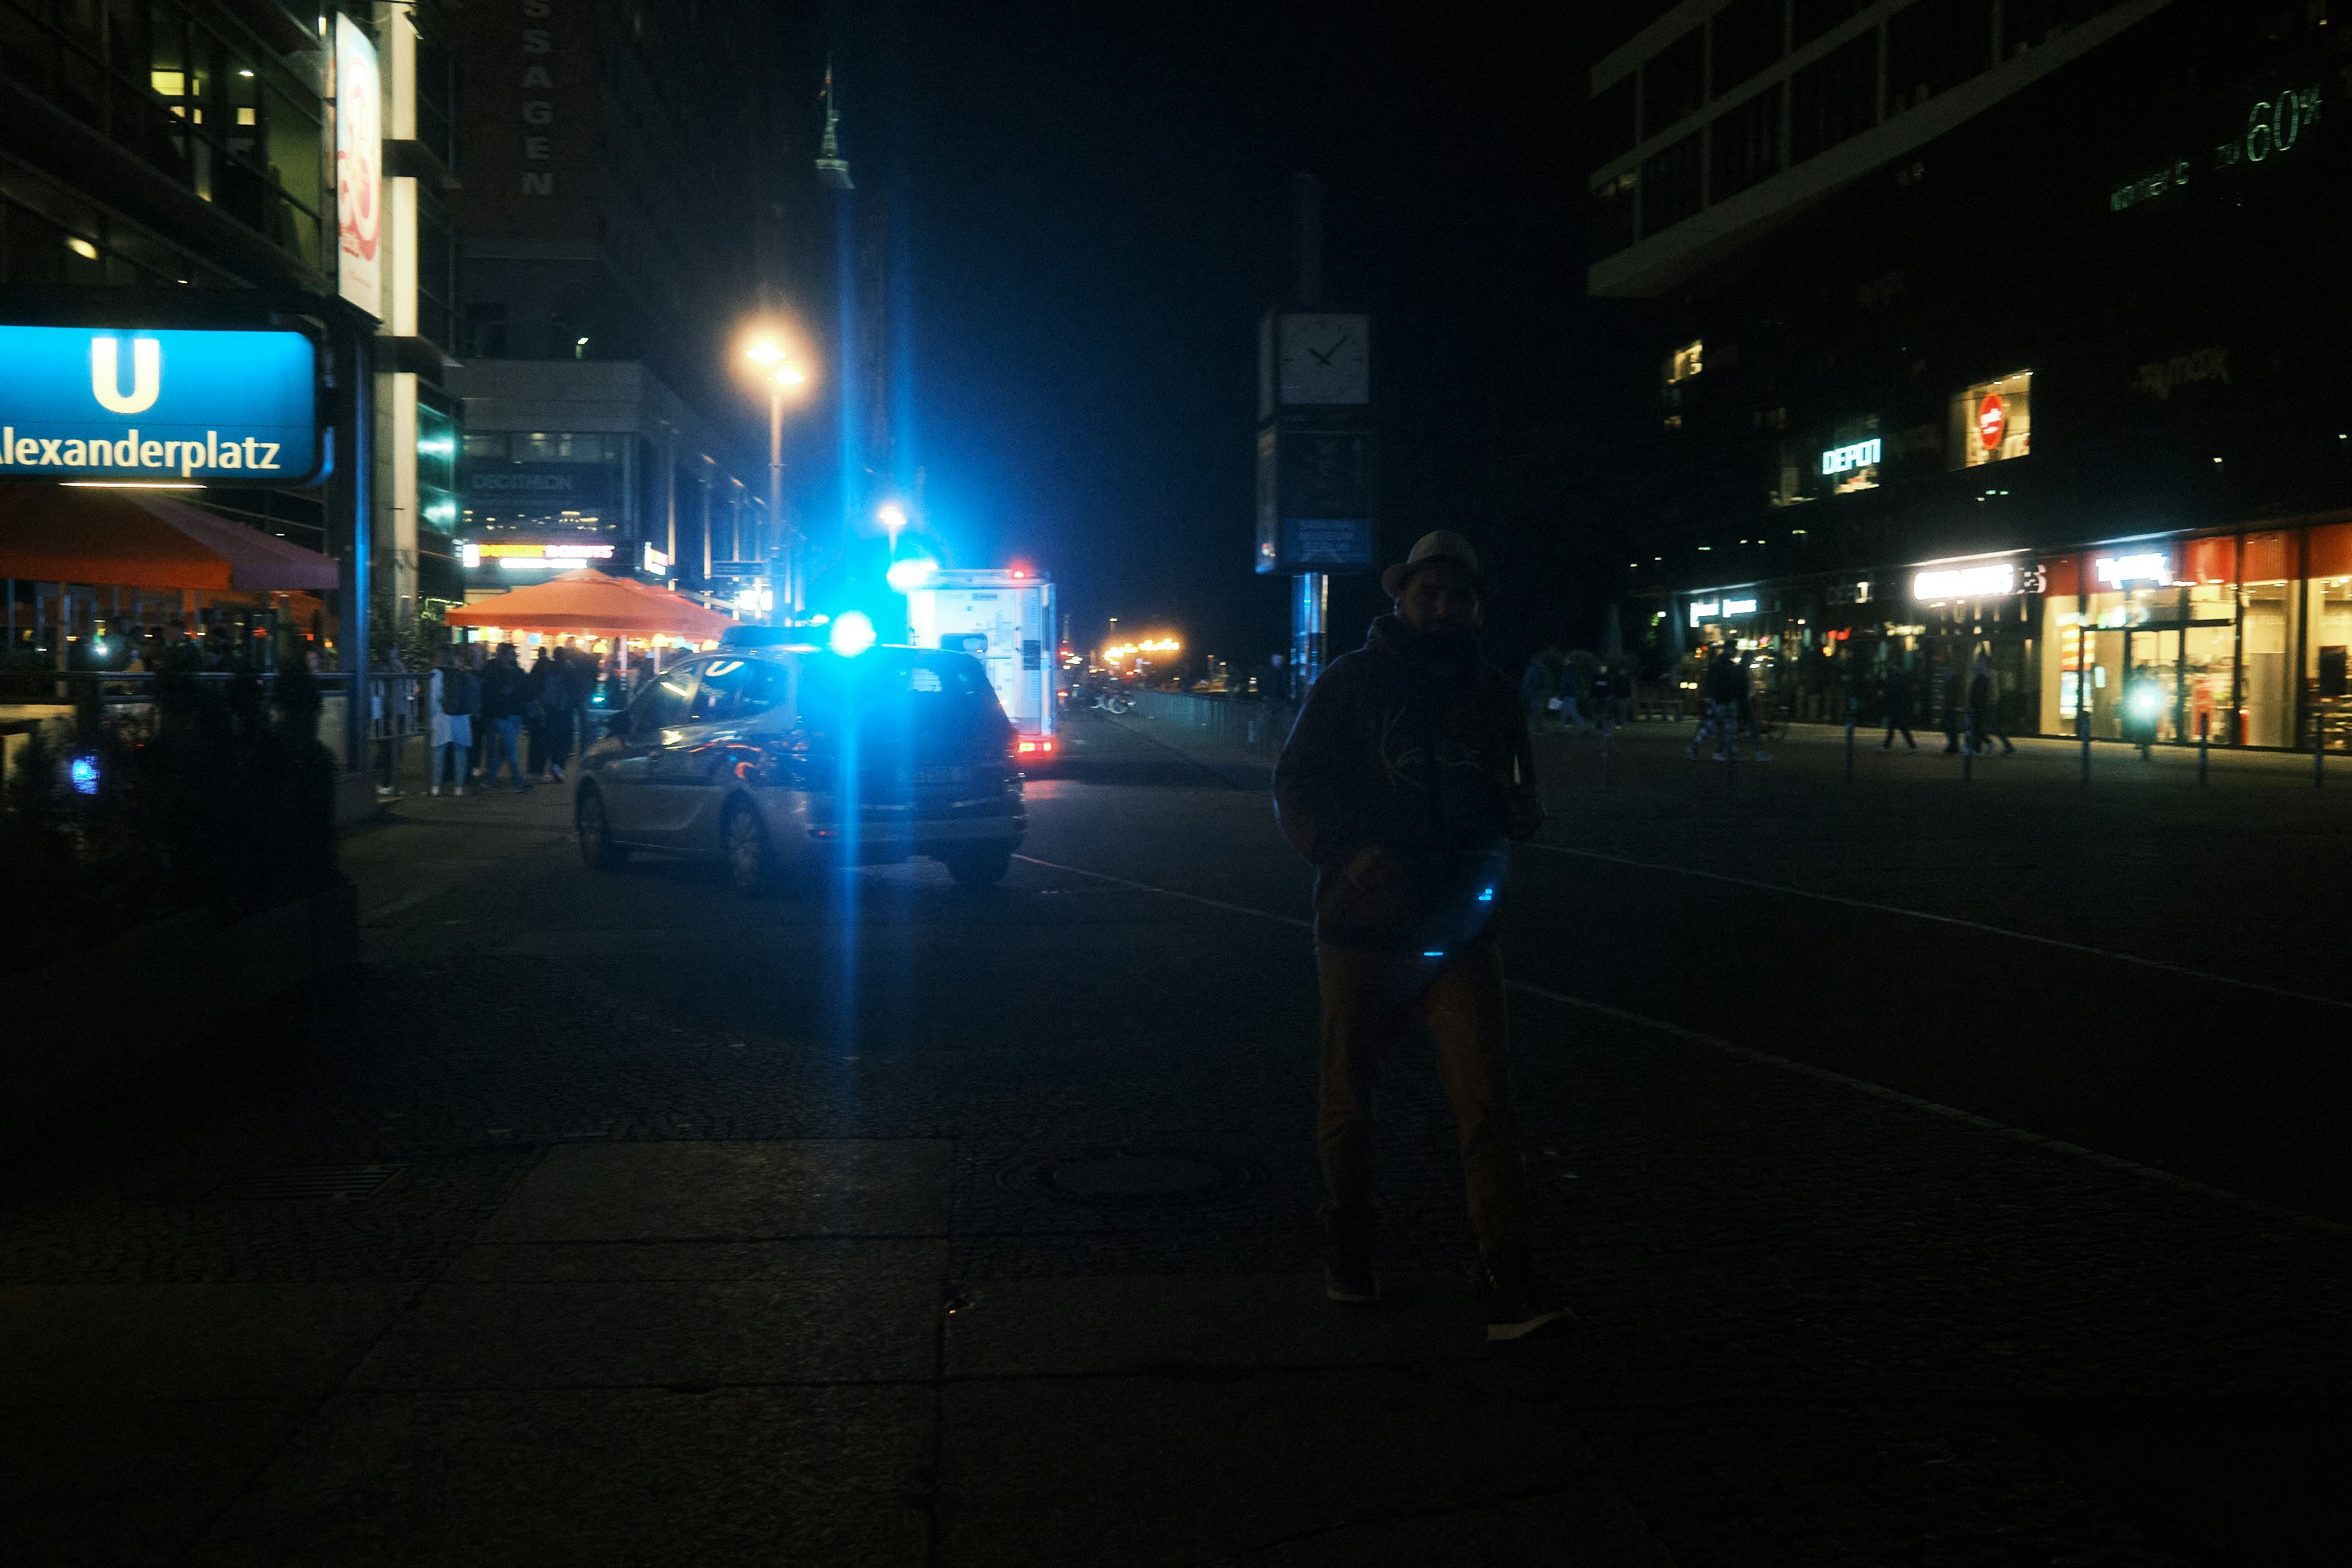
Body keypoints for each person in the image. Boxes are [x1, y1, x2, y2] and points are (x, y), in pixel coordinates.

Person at [1273, 529, 1570, 1342]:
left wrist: (1521, 818)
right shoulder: (1349, 682)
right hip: (1362, 926)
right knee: (1349, 1096)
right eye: (1429, 592)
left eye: (1459, 594)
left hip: (1461, 924)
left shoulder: (1495, 692)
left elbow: (1518, 787)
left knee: (1487, 1101)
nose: (1444, 606)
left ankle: (1507, 1277)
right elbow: (1294, 782)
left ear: (1475, 604)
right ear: (1399, 598)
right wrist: (1344, 849)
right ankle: (1351, 1245)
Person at [478, 643, 534, 792]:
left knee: (504, 750)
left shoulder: (499, 671)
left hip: (509, 714)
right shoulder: (500, 672)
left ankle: (489, 780)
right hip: (505, 715)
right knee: (510, 750)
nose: (512, 657)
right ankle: (518, 782)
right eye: (510, 654)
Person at [428, 646, 476, 796]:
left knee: (439, 752)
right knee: (460, 752)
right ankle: (459, 788)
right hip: (461, 718)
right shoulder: (463, 674)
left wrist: (431, 721)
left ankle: (435, 787)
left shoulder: (435, 674)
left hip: (441, 718)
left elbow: (433, 700)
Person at [1878, 650, 1918, 751]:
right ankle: (1911, 745)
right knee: (1899, 726)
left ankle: (1887, 745)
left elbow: (1889, 689)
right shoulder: (1901, 673)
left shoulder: (1892, 674)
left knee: (1895, 726)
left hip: (1894, 703)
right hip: (1899, 703)